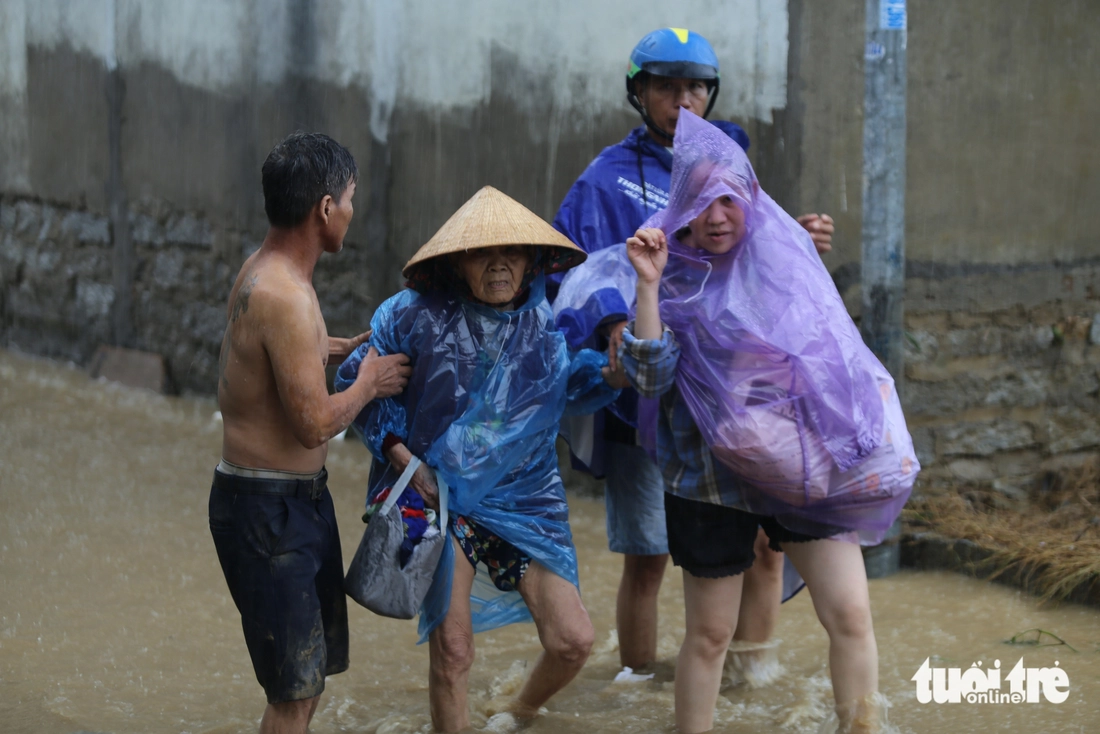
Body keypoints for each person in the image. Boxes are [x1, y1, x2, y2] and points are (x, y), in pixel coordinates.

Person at [604, 108, 914, 732]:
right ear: (682, 207)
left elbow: (836, 361)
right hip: (708, 483)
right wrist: (645, 289)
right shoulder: (668, 276)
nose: (716, 217)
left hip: (802, 470)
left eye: (728, 201)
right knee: (710, 637)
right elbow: (648, 381)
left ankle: (862, 726)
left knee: (851, 616)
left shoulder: (782, 260)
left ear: (749, 199)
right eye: (700, 203)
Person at [551, 27, 831, 682]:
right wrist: (613, 323)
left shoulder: (731, 163)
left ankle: (746, 685)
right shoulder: (605, 180)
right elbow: (573, 271)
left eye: (695, 88)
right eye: (667, 88)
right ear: (639, 92)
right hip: (646, 392)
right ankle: (637, 687)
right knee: (648, 555)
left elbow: (758, 256)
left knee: (763, 546)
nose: (683, 101)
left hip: (734, 397)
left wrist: (799, 239)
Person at [335, 186, 623, 733]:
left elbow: (570, 388)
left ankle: (518, 711)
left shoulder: (544, 328)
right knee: (455, 650)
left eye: (512, 253)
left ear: (532, 261)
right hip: (439, 495)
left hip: (525, 498)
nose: (499, 265)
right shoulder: (411, 316)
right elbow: (357, 385)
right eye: (482, 253)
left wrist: (613, 370)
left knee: (573, 641)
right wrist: (403, 460)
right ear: (457, 261)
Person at [209, 132, 413, 734]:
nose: (353, 210)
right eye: (350, 198)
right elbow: (314, 425)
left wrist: (339, 350)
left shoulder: (265, 270)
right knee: (293, 694)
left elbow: (275, 360)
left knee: (307, 679)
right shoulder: (286, 297)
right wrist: (369, 381)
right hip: (267, 512)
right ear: (325, 208)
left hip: (287, 505)